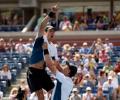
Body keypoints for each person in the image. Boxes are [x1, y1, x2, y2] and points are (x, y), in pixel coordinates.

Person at [26, 5, 58, 100]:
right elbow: (41, 26)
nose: (52, 33)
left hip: (42, 71)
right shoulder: (40, 38)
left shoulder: (53, 47)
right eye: (50, 31)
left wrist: (63, 75)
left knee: (53, 90)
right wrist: (51, 14)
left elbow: (54, 63)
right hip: (33, 71)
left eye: (53, 31)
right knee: (40, 95)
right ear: (45, 32)